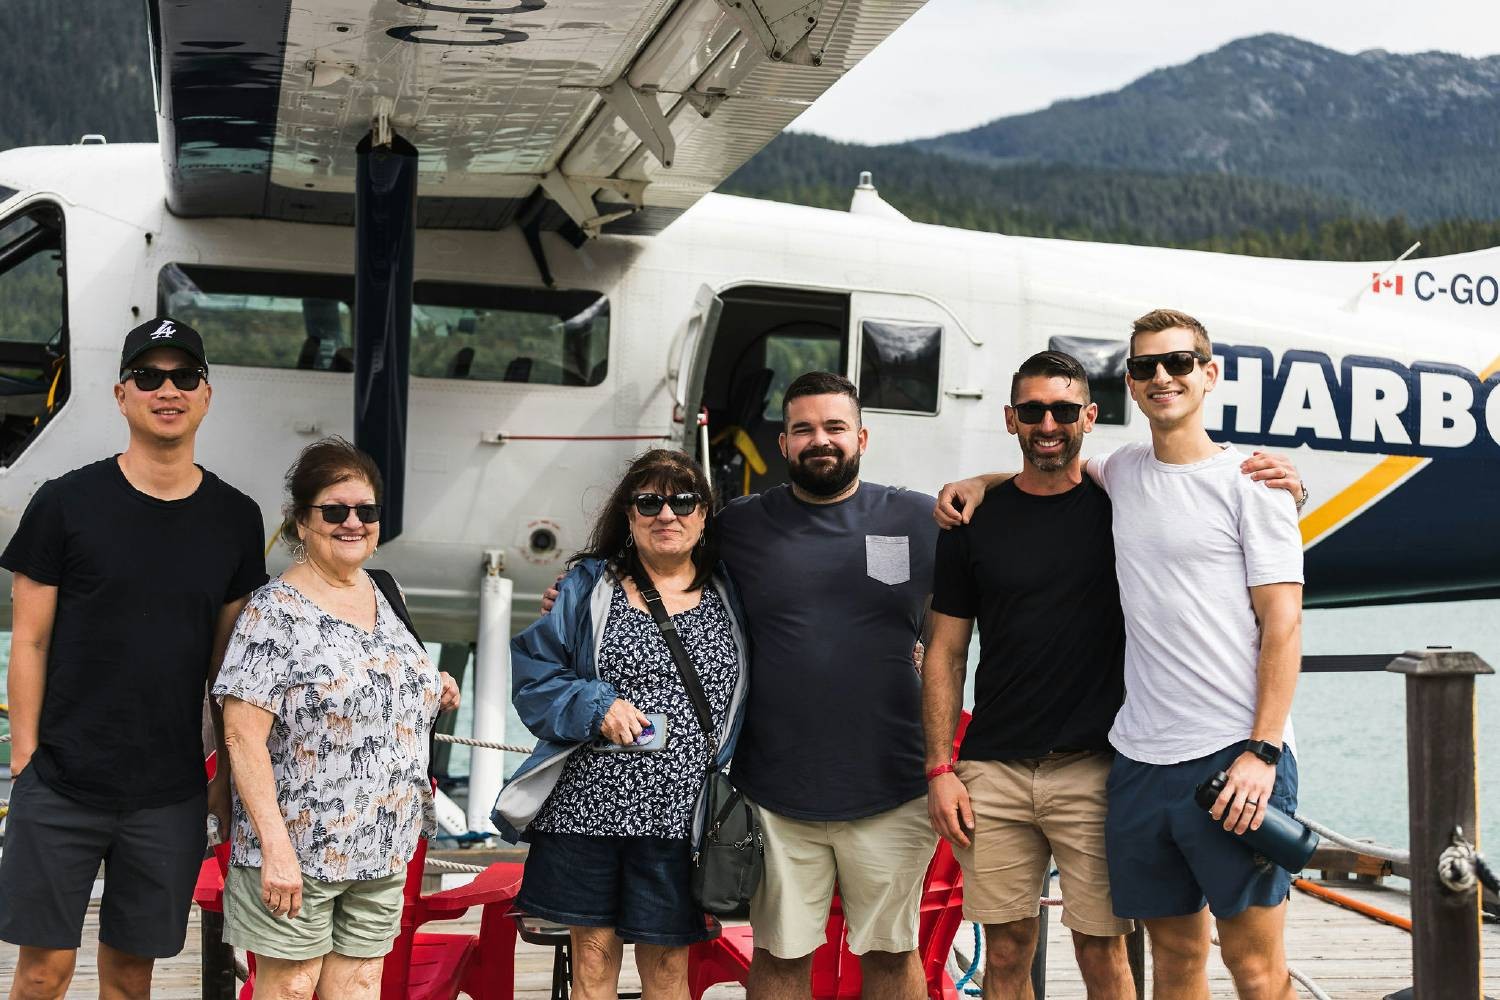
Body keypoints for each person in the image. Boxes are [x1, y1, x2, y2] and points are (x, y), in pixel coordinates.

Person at [937, 310, 1306, 999]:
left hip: (1235, 755)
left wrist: (1263, 751)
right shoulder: (1122, 472)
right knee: (1173, 960)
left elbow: (1284, 624)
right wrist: (976, 485)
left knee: (1256, 969)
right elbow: (1047, 467)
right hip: (1139, 762)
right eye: (1145, 367)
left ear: (1209, 373)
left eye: (1179, 363)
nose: (1162, 377)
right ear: (1131, 387)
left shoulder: (1254, 483)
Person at [0, 317, 268, 1000]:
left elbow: (227, 669)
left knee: (129, 980)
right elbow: (27, 639)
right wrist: (25, 757)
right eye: (149, 377)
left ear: (207, 395)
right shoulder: (64, 503)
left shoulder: (236, 518)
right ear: (122, 394)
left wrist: (220, 782)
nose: (167, 389)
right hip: (60, 781)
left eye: (185, 377)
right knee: (41, 974)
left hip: (169, 795)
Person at [495, 449, 750, 1000]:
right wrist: (595, 705)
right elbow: (535, 677)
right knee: (591, 961)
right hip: (586, 811)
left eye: (683, 501)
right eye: (649, 502)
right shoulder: (586, 587)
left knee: (667, 970)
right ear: (629, 515)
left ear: (704, 515)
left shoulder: (735, 593)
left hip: (685, 818)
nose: (667, 514)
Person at [717, 371, 940, 1000]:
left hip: (894, 786)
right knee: (782, 956)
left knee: (892, 956)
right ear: (784, 443)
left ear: (861, 436)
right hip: (775, 790)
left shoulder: (917, 517)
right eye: (804, 429)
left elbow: (1013, 537)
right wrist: (577, 591)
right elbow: (658, 560)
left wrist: (983, 482)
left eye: (835, 427)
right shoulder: (739, 527)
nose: (821, 440)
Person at [213, 437, 460, 1000]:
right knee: (292, 987)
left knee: (360, 984)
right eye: (335, 511)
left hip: (383, 842)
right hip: (297, 847)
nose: (353, 523)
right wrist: (275, 849)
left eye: (366, 511)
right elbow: (241, 736)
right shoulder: (273, 612)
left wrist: (431, 686)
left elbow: (377, 680)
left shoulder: (386, 591)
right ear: (302, 523)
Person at [923, 351, 1136, 998]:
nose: (1050, 423)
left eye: (1064, 410)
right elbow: (945, 652)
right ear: (1011, 418)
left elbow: (1198, 482)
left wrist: (1288, 482)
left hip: (1094, 767)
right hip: (994, 769)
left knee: (1103, 950)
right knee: (1008, 951)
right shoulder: (971, 519)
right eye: (1034, 410)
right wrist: (940, 768)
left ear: (1089, 419)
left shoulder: (1121, 506)